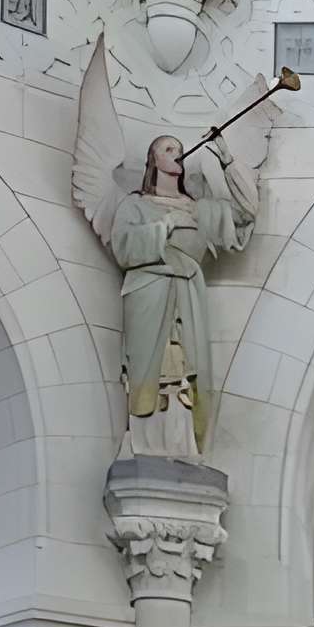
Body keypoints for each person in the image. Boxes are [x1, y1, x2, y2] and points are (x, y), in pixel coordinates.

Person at [109, 135, 251, 457]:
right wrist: (165, 226)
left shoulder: (197, 210)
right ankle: (146, 442)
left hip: (188, 293)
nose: (177, 154)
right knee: (151, 367)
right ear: (153, 160)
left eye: (179, 150)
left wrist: (229, 162)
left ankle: (183, 444)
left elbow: (245, 215)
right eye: (168, 149)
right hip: (149, 292)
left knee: (188, 367)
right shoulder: (135, 204)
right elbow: (124, 247)